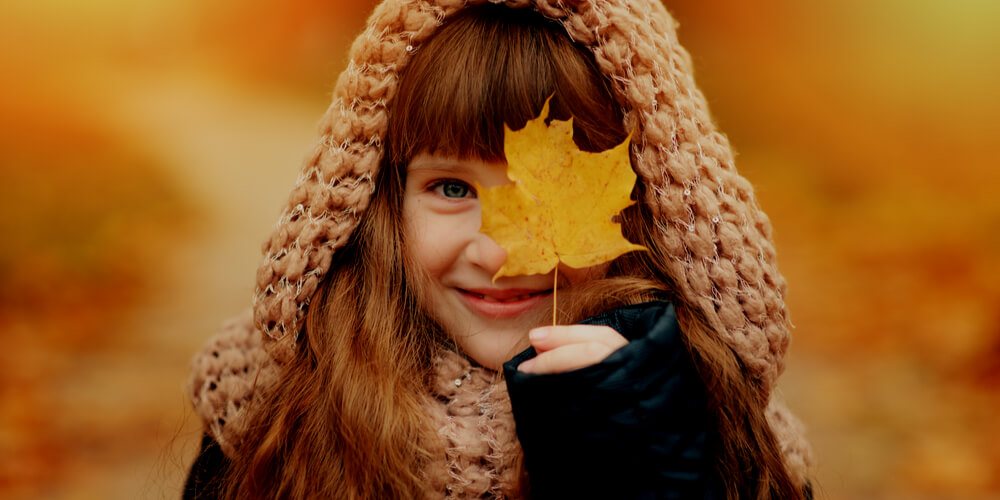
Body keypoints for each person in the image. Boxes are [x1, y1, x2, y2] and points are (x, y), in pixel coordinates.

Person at [183, 1, 814, 498]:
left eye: (549, 190)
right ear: (381, 205)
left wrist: (651, 463)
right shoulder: (274, 416)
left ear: (647, 208)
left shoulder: (716, 429)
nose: (497, 253)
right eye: (452, 187)